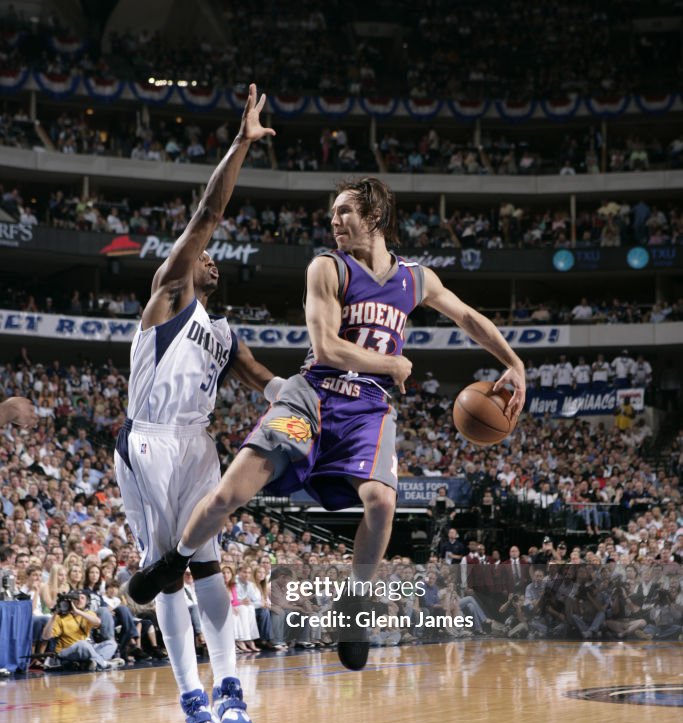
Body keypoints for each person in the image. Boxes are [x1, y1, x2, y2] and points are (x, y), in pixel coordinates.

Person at [129, 176, 526, 672]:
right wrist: (394, 364)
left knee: (381, 500)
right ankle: (175, 558)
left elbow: (467, 318)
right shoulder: (327, 266)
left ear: (375, 216)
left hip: (367, 408)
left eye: (344, 212)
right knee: (232, 494)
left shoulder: (416, 279)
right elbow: (326, 348)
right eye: (333, 214)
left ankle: (356, 603)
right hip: (311, 398)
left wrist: (514, 362)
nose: (334, 222)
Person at [114, 84, 278, 723]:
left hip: (198, 444)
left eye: (214, 260)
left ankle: (230, 687)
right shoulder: (170, 290)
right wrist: (240, 143)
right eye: (205, 252)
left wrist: (322, 391)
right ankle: (190, 701)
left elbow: (269, 384)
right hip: (149, 436)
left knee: (206, 561)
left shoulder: (225, 333)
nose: (210, 256)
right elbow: (210, 210)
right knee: (167, 568)